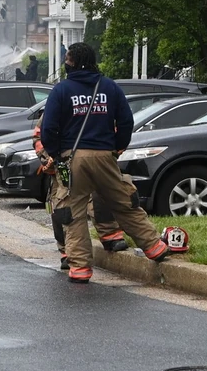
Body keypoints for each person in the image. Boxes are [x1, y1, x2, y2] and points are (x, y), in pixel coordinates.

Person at [40, 42, 169, 283]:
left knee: (73, 213)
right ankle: (154, 247)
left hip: (72, 158)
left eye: (67, 60)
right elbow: (126, 122)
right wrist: (117, 148)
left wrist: (56, 155)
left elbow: (49, 128)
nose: (65, 64)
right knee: (123, 202)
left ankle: (79, 269)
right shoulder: (109, 87)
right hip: (105, 155)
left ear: (75, 63)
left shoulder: (62, 90)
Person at [33, 115, 128, 270]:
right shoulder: (58, 101)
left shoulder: (99, 101)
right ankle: (67, 251)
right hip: (63, 164)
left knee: (101, 196)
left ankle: (111, 237)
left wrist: (111, 152)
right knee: (61, 206)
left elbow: (117, 128)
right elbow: (39, 135)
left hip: (93, 160)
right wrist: (47, 158)